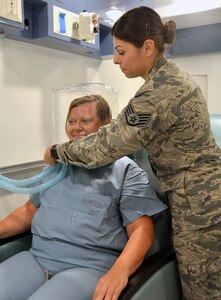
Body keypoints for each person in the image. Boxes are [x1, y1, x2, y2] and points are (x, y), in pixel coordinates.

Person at [44, 6, 221, 300]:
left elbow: (106, 145)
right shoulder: (170, 79)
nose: (115, 60)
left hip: (200, 208)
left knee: (204, 292)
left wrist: (57, 151)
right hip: (205, 198)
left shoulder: (157, 92)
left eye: (121, 52)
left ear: (148, 48)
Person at [0, 94, 166, 300]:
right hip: (37, 258)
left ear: (106, 125)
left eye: (85, 121)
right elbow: (29, 211)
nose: (76, 127)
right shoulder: (57, 164)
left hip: (87, 267)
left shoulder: (125, 171)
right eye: (71, 121)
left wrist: (119, 271)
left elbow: (141, 229)